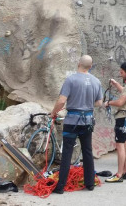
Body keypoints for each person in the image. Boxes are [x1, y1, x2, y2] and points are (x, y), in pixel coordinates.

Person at [49, 55, 103, 194]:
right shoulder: (96, 81)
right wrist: (87, 101)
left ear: (79, 64)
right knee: (87, 151)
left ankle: (60, 187)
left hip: (72, 120)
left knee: (67, 152)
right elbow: (99, 103)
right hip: (88, 121)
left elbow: (61, 101)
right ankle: (90, 184)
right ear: (90, 66)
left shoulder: (71, 80)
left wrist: (53, 113)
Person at [103, 62, 126, 183]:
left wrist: (108, 103)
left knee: (120, 146)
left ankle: (119, 174)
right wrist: (116, 85)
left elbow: (120, 102)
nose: (120, 74)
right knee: (124, 144)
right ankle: (125, 172)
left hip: (123, 117)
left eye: (121, 72)